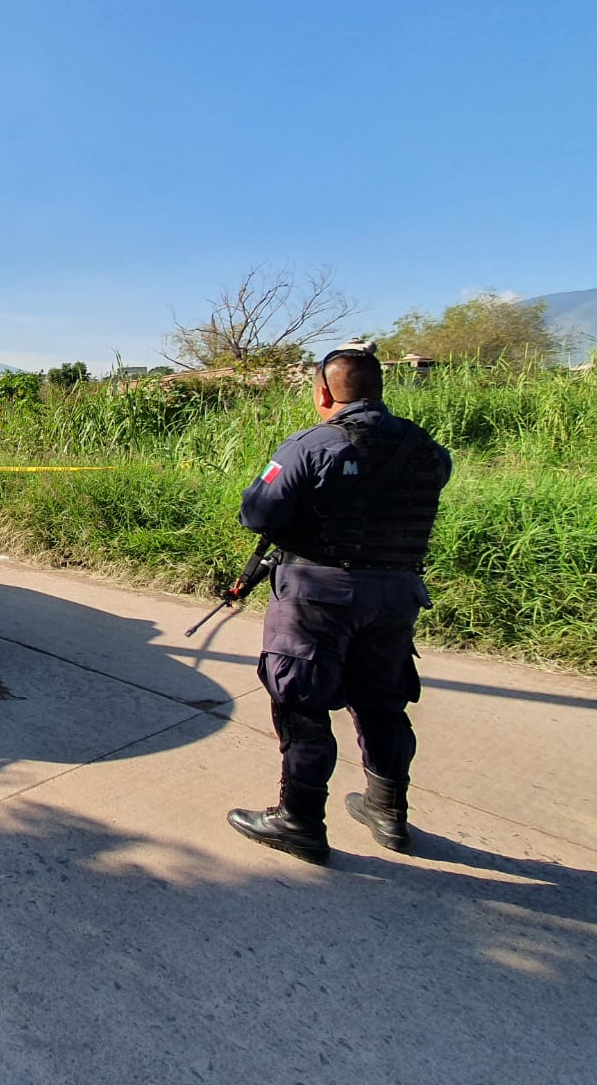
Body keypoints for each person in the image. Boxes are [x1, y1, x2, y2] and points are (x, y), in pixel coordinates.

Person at [226, 340, 452, 864]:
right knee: (383, 702)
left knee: (301, 702)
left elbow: (257, 513)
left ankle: (299, 819)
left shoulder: (310, 445)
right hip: (397, 596)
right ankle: (388, 811)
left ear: (324, 392)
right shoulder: (428, 450)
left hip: (317, 596)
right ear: (379, 388)